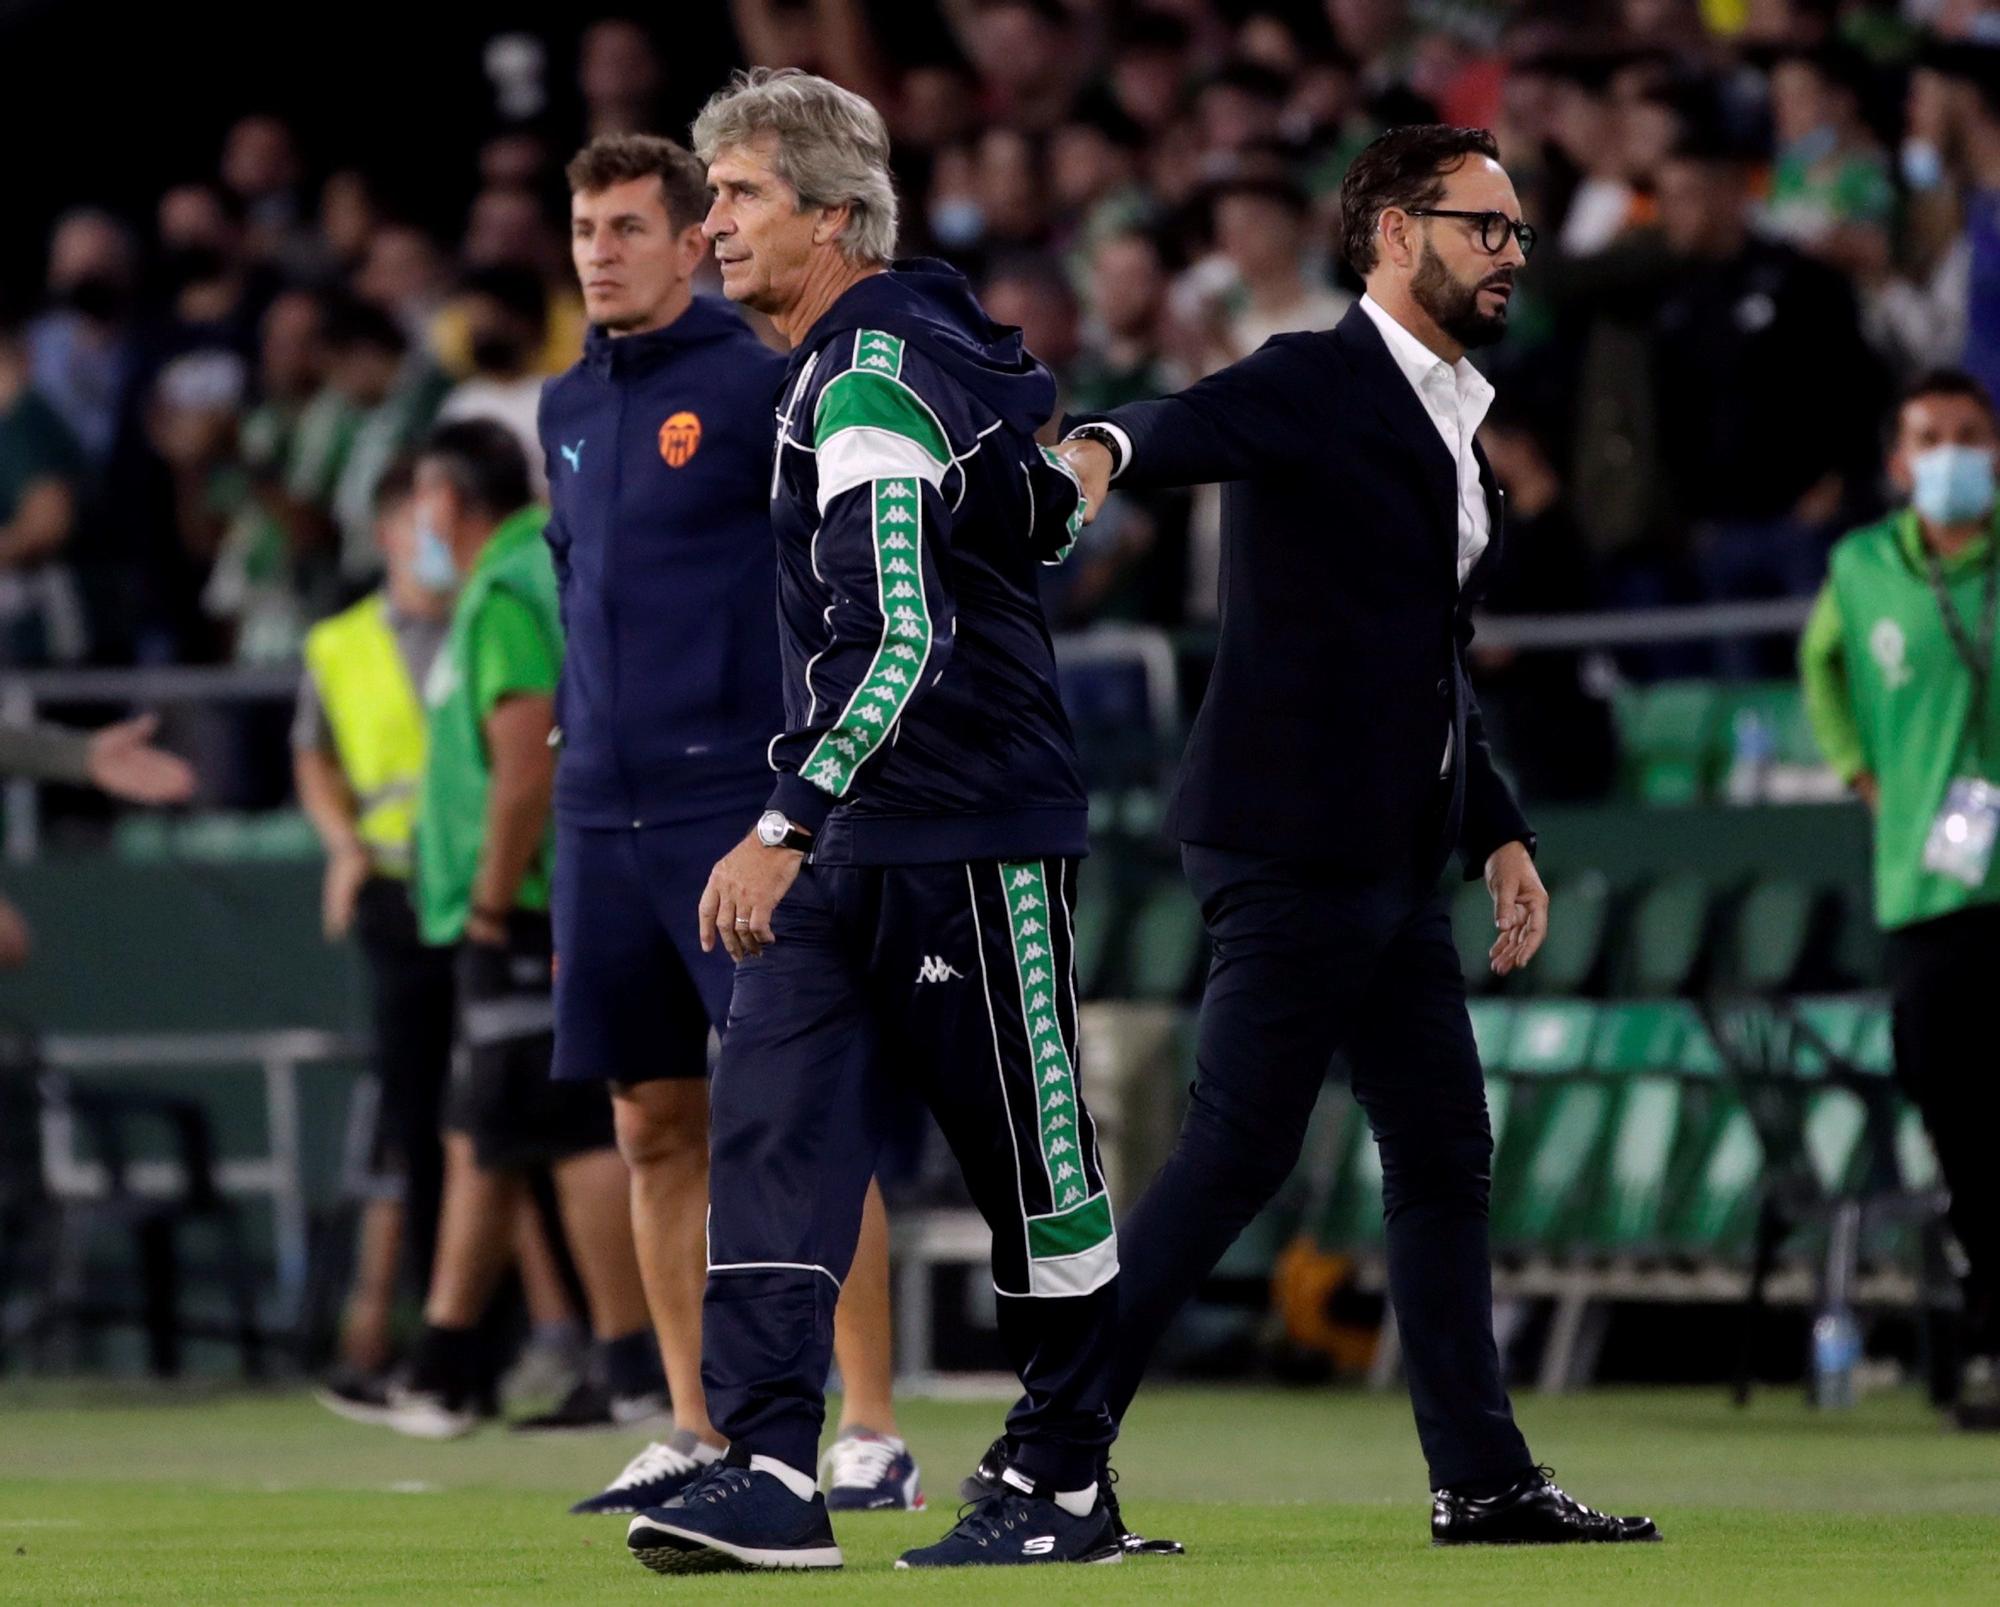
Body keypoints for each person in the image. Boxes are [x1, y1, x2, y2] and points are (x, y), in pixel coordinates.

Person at [988, 123, 1657, 1548]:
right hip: (1291, 843)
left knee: (1439, 1152)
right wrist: (1101, 446)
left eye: (1521, 230)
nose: (1512, 254)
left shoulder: (1458, 409)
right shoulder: (1316, 375)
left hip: (1388, 855)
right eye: (1485, 225)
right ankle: (1044, 1455)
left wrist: (1499, 829)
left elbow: (1434, 647)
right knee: (1236, 1152)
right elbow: (1180, 420)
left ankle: (1479, 1477)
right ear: (1392, 233)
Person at [622, 68, 1117, 1575]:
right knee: (771, 1125)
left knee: (1031, 1165)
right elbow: (1029, 506)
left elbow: (903, 633)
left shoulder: (870, 375)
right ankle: (771, 1455)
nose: (710, 228)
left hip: (963, 828)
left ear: (837, 215)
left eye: (740, 196)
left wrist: (778, 817)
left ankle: (1063, 1476)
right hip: (852, 832)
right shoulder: (880, 356)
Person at [544, 131, 919, 1518]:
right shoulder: (562, 407)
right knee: (651, 1124)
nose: (601, 248)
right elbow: (581, 583)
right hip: (601, 813)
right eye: (585, 225)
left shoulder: (760, 383)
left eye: (631, 224)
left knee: (801, 1111)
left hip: (731, 800)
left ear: (688, 240)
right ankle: (696, 1419)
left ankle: (869, 1424)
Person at [385, 417, 660, 1439]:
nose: (418, 520)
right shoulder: (532, 571)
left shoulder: (503, 590)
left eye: (423, 498)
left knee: (566, 1126)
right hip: (548, 889)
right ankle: (449, 1360)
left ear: (448, 502)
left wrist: (495, 903)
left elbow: (524, 757)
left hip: (527, 898)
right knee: (490, 1129)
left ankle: (626, 1361)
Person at [1799, 368, 2000, 1431]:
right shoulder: (1863, 566)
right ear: (1895, 460)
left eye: (1969, 433)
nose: (1951, 452)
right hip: (1925, 883)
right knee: (1956, 1114)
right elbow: (1818, 668)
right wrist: (1860, 772)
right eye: (1929, 435)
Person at [294, 459, 457, 1415]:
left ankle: (524, 1338)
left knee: (516, 1120)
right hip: (400, 896)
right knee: (425, 1121)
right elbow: (313, 754)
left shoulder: (500, 613)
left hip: (500, 889)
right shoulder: (342, 643)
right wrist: (343, 846)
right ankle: (437, 1337)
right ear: (389, 528)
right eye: (415, 517)